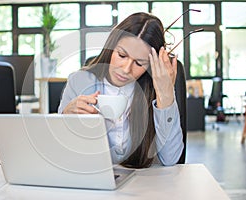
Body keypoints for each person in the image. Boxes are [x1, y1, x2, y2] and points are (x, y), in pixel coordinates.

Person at [58, 12, 184, 168]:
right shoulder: (79, 81)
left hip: (145, 185)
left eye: (139, 63)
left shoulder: (154, 90)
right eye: (122, 55)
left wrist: (165, 96)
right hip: (90, 180)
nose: (126, 69)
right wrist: (65, 118)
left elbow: (170, 159)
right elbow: (61, 151)